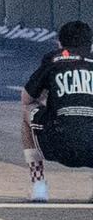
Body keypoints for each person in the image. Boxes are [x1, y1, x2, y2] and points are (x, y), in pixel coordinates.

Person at [22, 19, 93, 202]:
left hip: (58, 143)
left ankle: (38, 185)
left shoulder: (54, 59)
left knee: (26, 112)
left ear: (59, 44)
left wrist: (47, 97)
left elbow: (26, 98)